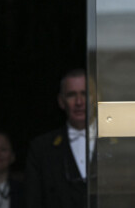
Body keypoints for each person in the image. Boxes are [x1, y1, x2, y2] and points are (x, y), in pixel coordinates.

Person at [25, 70, 93, 208]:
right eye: (71, 95)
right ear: (61, 102)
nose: (79, 102)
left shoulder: (115, 145)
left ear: (96, 98)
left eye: (85, 94)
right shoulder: (41, 149)